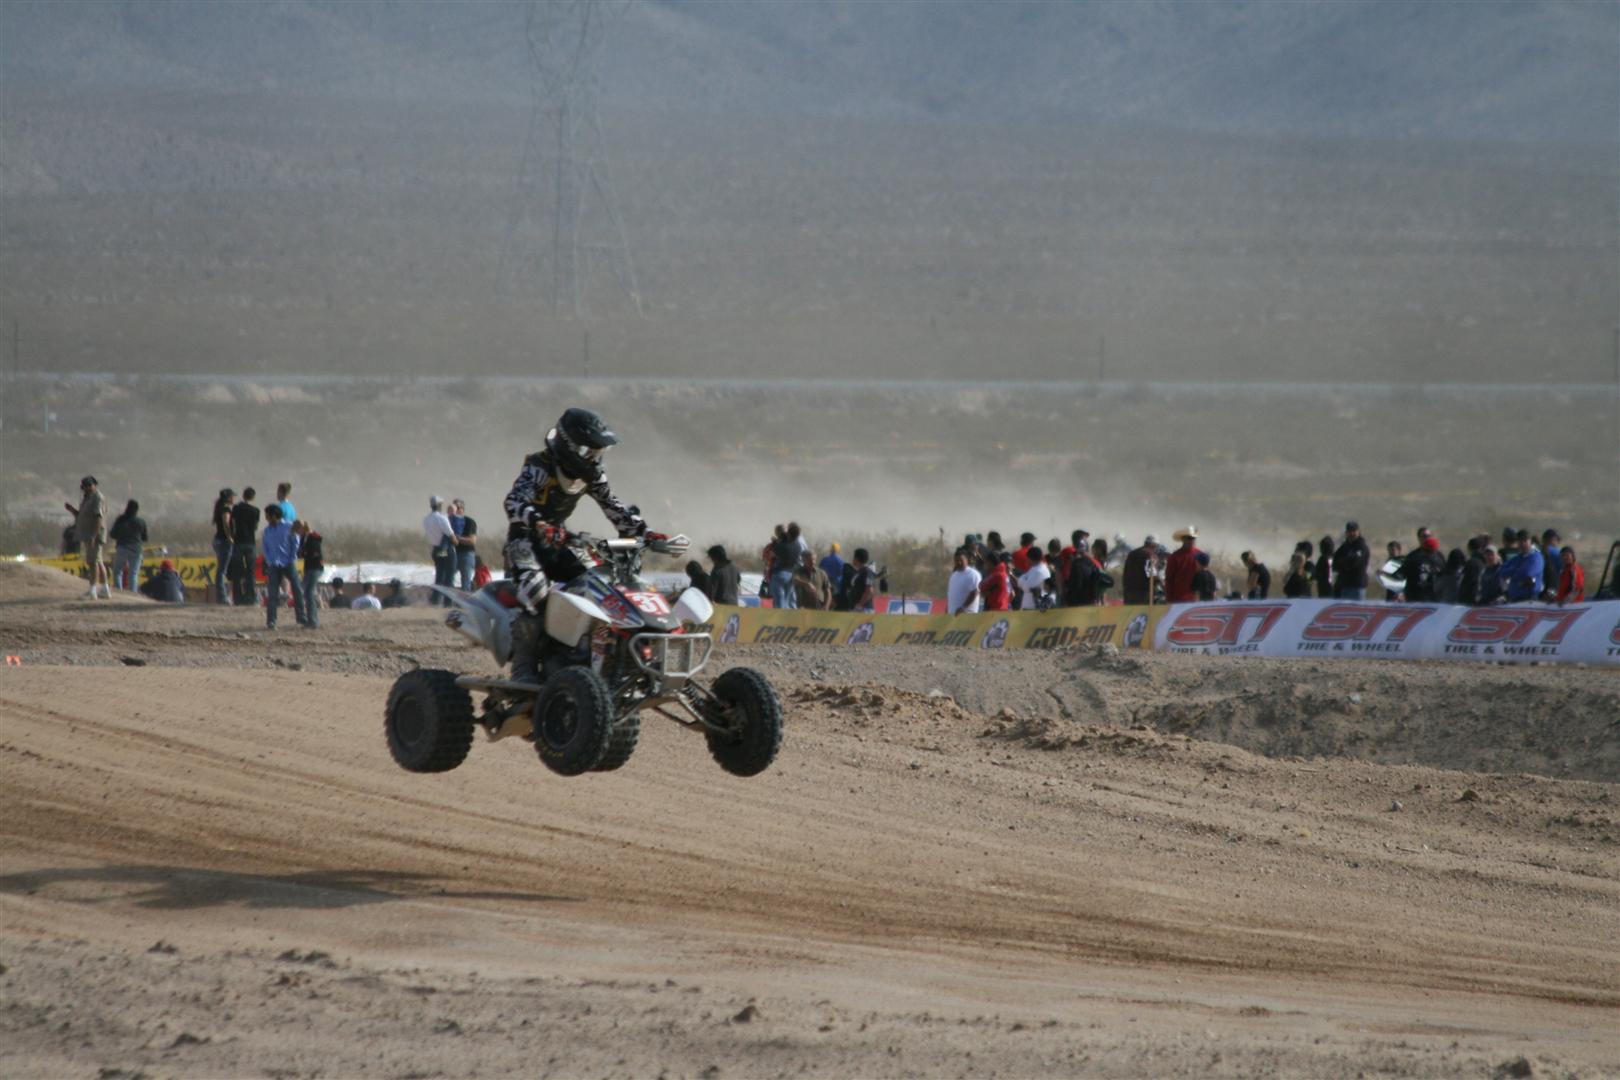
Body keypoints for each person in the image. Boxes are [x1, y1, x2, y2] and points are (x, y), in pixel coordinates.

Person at [501, 407, 677, 683]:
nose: (594, 458)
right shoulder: (539, 466)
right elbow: (513, 502)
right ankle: (523, 668)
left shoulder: (593, 476)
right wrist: (539, 523)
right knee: (536, 593)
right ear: (569, 446)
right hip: (525, 541)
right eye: (588, 451)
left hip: (560, 541)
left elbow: (614, 507)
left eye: (598, 451)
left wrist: (646, 532)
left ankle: (587, 654)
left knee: (599, 583)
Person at [260, 504, 305, 630]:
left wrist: (292, 558)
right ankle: (271, 621)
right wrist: (269, 561)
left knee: (297, 589)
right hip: (274, 565)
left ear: (274, 515)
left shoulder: (288, 526)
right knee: (272, 593)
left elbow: (295, 543)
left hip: (288, 563)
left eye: (267, 515)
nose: (266, 518)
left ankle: (301, 617)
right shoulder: (267, 531)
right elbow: (265, 547)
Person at [67, 475, 110, 599]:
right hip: (88, 534)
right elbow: (82, 516)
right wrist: (72, 510)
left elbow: (98, 518)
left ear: (94, 485)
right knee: (98, 561)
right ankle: (105, 589)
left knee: (93, 562)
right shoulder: (87, 499)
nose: (86, 488)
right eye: (85, 486)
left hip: (94, 534)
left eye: (89, 485)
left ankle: (92, 590)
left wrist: (93, 536)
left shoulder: (97, 498)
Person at [229, 487, 261, 606]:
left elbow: (233, 523)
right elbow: (255, 527)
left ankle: (238, 598)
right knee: (250, 571)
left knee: (237, 570)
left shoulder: (236, 508)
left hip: (238, 541)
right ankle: (250, 597)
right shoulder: (256, 510)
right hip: (250, 542)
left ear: (243, 495)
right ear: (253, 497)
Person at [108, 499, 148, 592]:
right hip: (136, 550)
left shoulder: (121, 520)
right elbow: (145, 538)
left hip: (122, 548)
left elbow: (113, 534)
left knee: (117, 572)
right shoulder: (141, 522)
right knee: (133, 574)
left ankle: (118, 591)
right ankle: (133, 593)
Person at [424, 496, 458, 606]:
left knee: (439, 575)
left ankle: (435, 600)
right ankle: (447, 602)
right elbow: (451, 536)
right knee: (449, 576)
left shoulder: (426, 519)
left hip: (436, 550)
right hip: (446, 550)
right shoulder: (442, 518)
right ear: (439, 505)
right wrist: (456, 542)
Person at [1500, 529, 1545, 604]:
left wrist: (1512, 574)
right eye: (1520, 541)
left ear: (1530, 541)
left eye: (1525, 541)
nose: (1522, 544)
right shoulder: (1518, 558)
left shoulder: (1536, 557)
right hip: (1514, 598)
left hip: (1529, 599)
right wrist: (1516, 570)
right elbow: (1501, 571)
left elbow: (1528, 573)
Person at [293, 519, 324, 629]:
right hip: (308, 567)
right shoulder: (304, 538)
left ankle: (313, 621)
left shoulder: (313, 537)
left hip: (315, 567)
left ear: (301, 529)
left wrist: (304, 553)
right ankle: (311, 619)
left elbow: (313, 553)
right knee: (306, 592)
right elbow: (301, 552)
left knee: (309, 592)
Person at [1331, 521, 1370, 600]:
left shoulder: (1361, 546)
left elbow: (1354, 562)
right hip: (1345, 585)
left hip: (1357, 586)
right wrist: (1344, 563)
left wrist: (1344, 562)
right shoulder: (1345, 546)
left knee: (1357, 607)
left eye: (1354, 531)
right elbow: (1335, 562)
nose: (1351, 533)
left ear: (1358, 532)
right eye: (1349, 531)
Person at [211, 488, 236, 605]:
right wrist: (230, 536)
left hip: (218, 540)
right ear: (228, 498)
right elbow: (226, 523)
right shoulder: (225, 509)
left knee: (221, 569)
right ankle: (222, 597)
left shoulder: (219, 507)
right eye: (232, 496)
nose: (234, 498)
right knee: (222, 570)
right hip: (224, 541)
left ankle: (222, 595)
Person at [1164, 527, 1201, 603]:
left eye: (1194, 538)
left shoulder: (1200, 555)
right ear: (1183, 539)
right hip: (1178, 598)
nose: (1192, 540)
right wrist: (1169, 598)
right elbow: (1169, 579)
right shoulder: (1175, 557)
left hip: (1197, 598)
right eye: (1189, 538)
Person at [769, 525, 802, 609]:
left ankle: (780, 617)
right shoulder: (798, 545)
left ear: (789, 533)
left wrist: (774, 542)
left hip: (780, 573)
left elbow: (772, 554)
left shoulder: (782, 546)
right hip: (791, 574)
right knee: (787, 600)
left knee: (779, 601)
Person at [451, 498, 479, 591]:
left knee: (465, 582)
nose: (456, 510)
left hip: (466, 554)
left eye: (458, 508)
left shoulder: (469, 522)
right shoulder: (449, 521)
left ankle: (465, 598)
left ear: (462, 509)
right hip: (453, 554)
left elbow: (472, 541)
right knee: (448, 579)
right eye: (454, 508)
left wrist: (457, 538)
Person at [1123, 535, 1158, 605]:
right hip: (1143, 593)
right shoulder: (1149, 555)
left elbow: (1125, 572)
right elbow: (1152, 574)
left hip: (1129, 591)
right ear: (1154, 545)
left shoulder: (1132, 554)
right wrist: (1162, 584)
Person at [947, 548, 982, 615]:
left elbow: (975, 592)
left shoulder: (973, 574)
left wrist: (963, 607)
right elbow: (951, 595)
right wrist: (947, 610)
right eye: (956, 561)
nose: (959, 562)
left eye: (961, 560)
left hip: (967, 615)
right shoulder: (953, 576)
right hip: (953, 615)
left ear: (967, 560)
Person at [845, 548, 878, 613]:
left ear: (857, 559)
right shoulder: (859, 572)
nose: (852, 559)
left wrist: (860, 605)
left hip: (864, 609)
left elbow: (870, 591)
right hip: (856, 609)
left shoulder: (867, 572)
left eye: (854, 557)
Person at [1540, 530, 1563, 601]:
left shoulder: (1538, 551)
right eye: (1556, 540)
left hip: (1544, 587)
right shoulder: (1557, 553)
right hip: (1555, 586)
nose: (1558, 543)